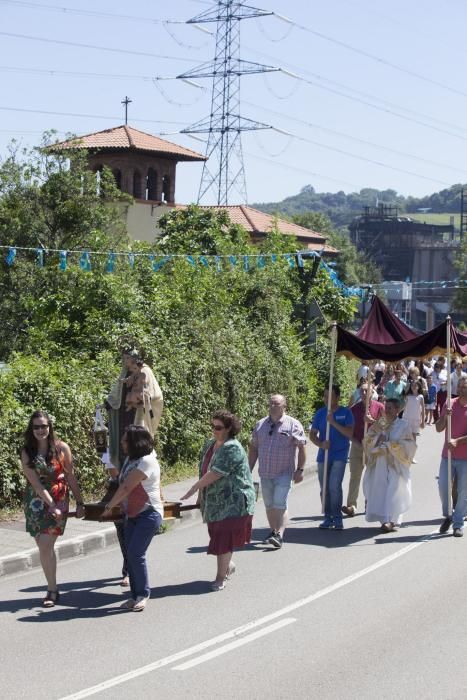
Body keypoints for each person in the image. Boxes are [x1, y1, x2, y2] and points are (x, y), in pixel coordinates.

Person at [104, 347, 163, 587]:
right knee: (123, 523)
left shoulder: (145, 374)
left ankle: (134, 574)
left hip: (136, 429)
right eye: (124, 360)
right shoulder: (125, 377)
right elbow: (115, 399)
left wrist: (136, 399)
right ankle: (129, 567)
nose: (126, 363)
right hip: (124, 435)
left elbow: (150, 399)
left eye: (130, 360)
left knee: (132, 526)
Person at [182, 411, 255, 591]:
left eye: (218, 427)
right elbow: (204, 469)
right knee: (216, 536)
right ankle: (228, 566)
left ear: (229, 429)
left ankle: (220, 578)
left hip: (234, 502)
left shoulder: (232, 447)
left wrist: (194, 488)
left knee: (223, 538)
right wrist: (201, 495)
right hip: (214, 501)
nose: (214, 430)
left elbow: (216, 472)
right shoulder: (210, 444)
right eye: (212, 426)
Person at [20, 410, 84, 607]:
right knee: (42, 543)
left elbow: (71, 476)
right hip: (36, 501)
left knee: (46, 544)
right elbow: (36, 485)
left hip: (59, 497)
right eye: (37, 426)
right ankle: (52, 586)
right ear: (32, 429)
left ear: (50, 427)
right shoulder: (26, 451)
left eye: (44, 426)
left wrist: (80, 502)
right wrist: (50, 505)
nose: (41, 430)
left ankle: (52, 590)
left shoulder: (61, 448)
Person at [102, 425, 163, 611]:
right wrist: (108, 463)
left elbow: (127, 487)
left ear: (135, 442)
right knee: (130, 555)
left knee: (136, 554)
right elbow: (121, 479)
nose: (121, 443)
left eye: (125, 440)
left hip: (149, 514)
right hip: (132, 514)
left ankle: (143, 594)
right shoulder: (131, 459)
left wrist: (109, 507)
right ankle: (135, 595)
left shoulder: (147, 461)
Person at [248, 395, 306, 548]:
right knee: (269, 505)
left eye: (276, 403)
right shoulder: (260, 425)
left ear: (284, 406)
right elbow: (253, 448)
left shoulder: (293, 424)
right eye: (271, 403)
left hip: (284, 473)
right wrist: (248, 470)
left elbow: (301, 447)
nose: (273, 406)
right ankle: (273, 531)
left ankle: (279, 534)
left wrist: (300, 469)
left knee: (280, 503)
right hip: (265, 473)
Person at [362, 398, 416, 532]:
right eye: (386, 407)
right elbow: (367, 439)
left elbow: (410, 444)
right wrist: (376, 440)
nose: (387, 410)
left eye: (390, 408)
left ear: (397, 410)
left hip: (395, 463)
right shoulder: (381, 422)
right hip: (380, 461)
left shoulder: (404, 425)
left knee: (394, 489)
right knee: (382, 489)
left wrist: (392, 446)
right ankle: (385, 519)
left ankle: (393, 520)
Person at [309, 385, 354, 530]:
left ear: (338, 397)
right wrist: (321, 444)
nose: (327, 399)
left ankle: (337, 517)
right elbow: (312, 435)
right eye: (325, 396)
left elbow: (349, 433)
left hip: (340, 454)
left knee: (334, 486)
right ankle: (328, 517)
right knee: (324, 488)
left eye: (330, 396)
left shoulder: (346, 413)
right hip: (324, 455)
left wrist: (333, 422)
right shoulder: (320, 413)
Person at [342, 382, 384, 517]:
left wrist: (372, 421)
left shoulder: (380, 407)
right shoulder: (353, 410)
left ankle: (369, 503)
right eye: (362, 391)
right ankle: (351, 505)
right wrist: (356, 443)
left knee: (371, 477)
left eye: (367, 391)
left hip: (373, 448)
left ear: (372, 393)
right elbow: (349, 431)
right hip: (357, 446)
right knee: (355, 476)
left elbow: (385, 428)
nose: (364, 393)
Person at [436, 376, 467, 537]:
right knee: (443, 486)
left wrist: (458, 441)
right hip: (447, 455)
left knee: (463, 492)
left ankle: (458, 523)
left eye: (464, 386)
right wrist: (444, 417)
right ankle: (448, 515)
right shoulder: (449, 403)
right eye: (460, 386)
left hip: (465, 458)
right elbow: (438, 428)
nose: (461, 389)